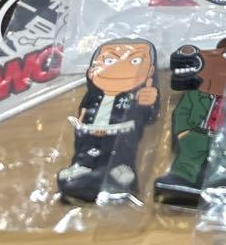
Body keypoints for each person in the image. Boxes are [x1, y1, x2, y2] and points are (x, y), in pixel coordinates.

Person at [154, 36, 226, 204]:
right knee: (188, 159)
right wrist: (183, 132)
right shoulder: (195, 95)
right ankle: (182, 182)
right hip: (197, 134)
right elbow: (182, 112)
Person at [57, 40, 160, 203]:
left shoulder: (135, 95)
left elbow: (148, 114)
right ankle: (83, 166)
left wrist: (149, 102)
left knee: (119, 148)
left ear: (150, 71)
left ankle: (119, 168)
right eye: (110, 60)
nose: (121, 68)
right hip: (90, 130)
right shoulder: (94, 95)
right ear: (92, 71)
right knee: (87, 148)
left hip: (120, 131)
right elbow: (84, 109)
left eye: (135, 61)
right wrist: (82, 124)